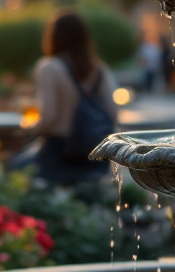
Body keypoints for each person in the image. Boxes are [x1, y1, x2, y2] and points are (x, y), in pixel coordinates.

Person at [33, 10, 118, 184]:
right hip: (94, 154)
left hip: (58, 154)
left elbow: (48, 118)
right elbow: (113, 112)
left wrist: (30, 131)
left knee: (16, 166)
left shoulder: (49, 67)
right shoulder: (99, 69)